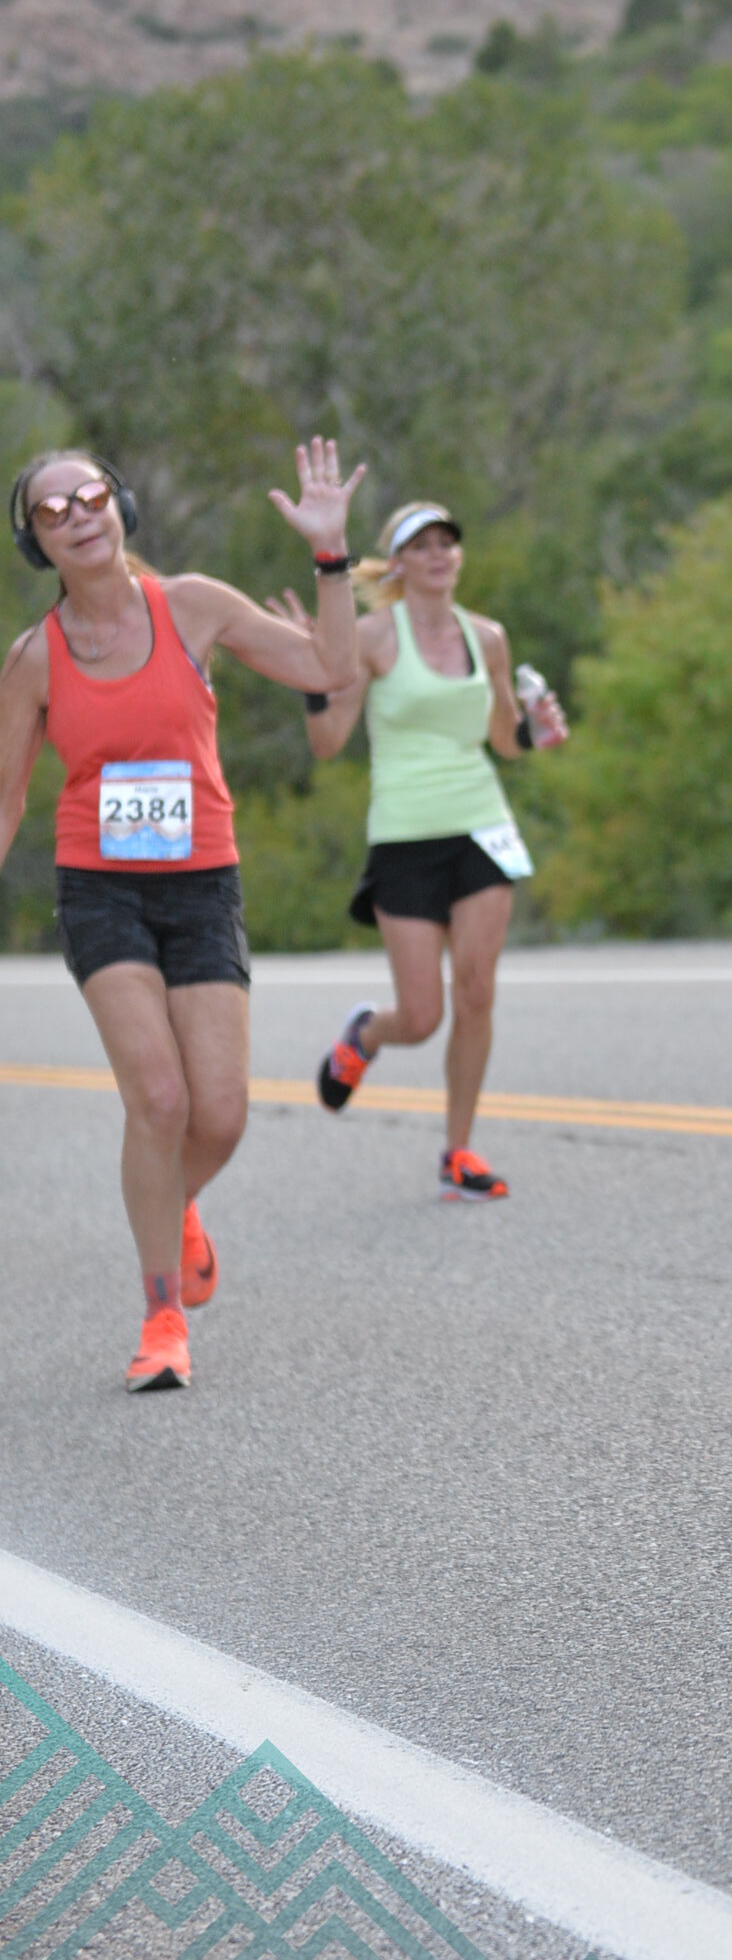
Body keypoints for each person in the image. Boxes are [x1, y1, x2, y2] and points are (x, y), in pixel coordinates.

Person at [0, 438, 364, 1390]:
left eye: (90, 496)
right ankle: (161, 1316)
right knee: (158, 1100)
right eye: (52, 511)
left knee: (222, 1115)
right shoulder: (34, 659)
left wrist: (330, 556)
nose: (78, 516)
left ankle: (173, 1201)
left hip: (203, 882)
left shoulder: (193, 605)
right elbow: (5, 801)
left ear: (119, 505)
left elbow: (332, 664)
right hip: (100, 887)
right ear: (37, 543)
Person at [282, 500, 566, 1201]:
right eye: (422, 545)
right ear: (399, 564)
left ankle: (458, 1151)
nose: (439, 554)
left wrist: (536, 731)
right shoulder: (373, 638)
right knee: (421, 1016)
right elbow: (327, 743)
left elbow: (503, 740)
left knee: (477, 990)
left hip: (481, 826)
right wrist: (314, 676)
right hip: (405, 836)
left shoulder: (487, 638)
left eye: (448, 542)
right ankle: (366, 1036)